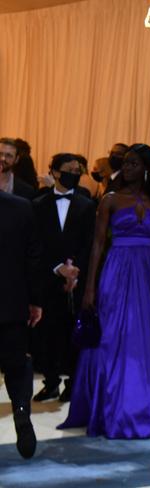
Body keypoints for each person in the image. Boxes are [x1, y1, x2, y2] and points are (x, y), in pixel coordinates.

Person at [58, 143, 150, 438]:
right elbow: (97, 245)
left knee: (148, 341)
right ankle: (111, 409)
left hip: (149, 273)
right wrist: (89, 287)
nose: (128, 168)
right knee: (112, 337)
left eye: (134, 163)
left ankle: (147, 408)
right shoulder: (109, 200)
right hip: (117, 271)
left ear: (147, 168)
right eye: (127, 163)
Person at [32, 153, 96, 403]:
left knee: (73, 332)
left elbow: (90, 242)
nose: (75, 173)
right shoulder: (38, 204)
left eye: (78, 169)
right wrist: (57, 267)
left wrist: (75, 269)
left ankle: (72, 382)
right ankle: (50, 381)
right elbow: (37, 243)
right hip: (49, 279)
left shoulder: (86, 204)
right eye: (69, 169)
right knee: (48, 332)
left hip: (77, 279)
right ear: (55, 172)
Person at [0, 158, 42, 458]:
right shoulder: (20, 207)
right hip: (11, 304)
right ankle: (21, 409)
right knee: (17, 365)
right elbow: (33, 260)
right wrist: (35, 301)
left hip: (12, 302)